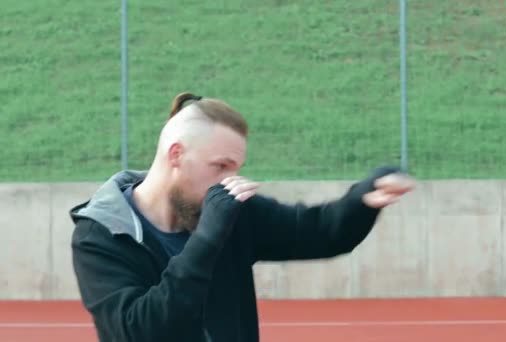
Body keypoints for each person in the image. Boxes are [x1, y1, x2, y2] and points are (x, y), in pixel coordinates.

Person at [70, 92, 415, 342]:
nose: (229, 180)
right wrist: (207, 239)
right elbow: (140, 331)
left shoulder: (230, 211)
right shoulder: (102, 234)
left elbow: (320, 231)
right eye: (220, 166)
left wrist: (363, 197)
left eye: (235, 168)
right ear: (176, 155)